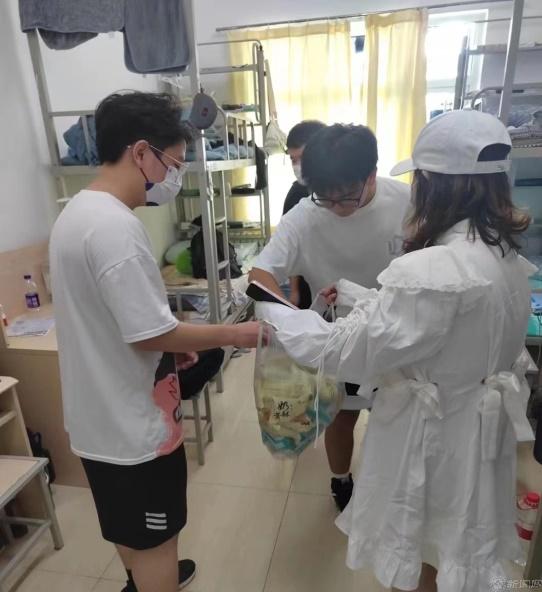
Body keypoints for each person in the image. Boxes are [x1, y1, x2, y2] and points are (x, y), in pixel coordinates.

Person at [258, 110, 534, 592]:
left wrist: (273, 318)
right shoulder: (500, 252)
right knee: (446, 547)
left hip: (433, 435)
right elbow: (428, 324)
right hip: (473, 428)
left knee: (417, 547)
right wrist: (353, 294)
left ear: (432, 184)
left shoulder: (435, 266)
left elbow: (347, 349)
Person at [49, 92, 262, 592]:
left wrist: (168, 346)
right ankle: (153, 576)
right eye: (174, 164)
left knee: (129, 527)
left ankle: (141, 579)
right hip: (134, 431)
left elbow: (125, 323)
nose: (174, 177)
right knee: (157, 542)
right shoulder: (115, 229)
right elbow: (154, 332)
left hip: (98, 419)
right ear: (141, 152)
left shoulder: (76, 213)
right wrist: (236, 332)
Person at [249, 123, 410, 511]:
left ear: (371, 175)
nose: (337, 207)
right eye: (326, 197)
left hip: (399, 332)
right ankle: (341, 479)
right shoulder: (305, 216)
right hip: (338, 337)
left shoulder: (407, 201)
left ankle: (393, 487)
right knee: (341, 416)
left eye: (347, 195)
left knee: (399, 415)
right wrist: (296, 323)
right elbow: (260, 275)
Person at [283, 120, 326, 309]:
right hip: (307, 283)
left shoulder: (346, 189)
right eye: (293, 160)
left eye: (302, 158)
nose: (298, 166)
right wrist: (294, 291)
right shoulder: (296, 195)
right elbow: (292, 248)